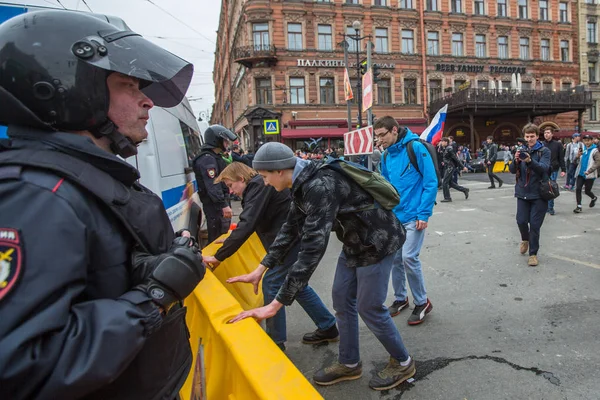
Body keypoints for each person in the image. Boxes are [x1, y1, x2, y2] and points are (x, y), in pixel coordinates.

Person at [0, 10, 206, 399]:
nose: (147, 101)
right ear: (69, 88)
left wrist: (148, 266)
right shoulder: (37, 195)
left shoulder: (85, 179)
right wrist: (156, 294)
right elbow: (21, 365)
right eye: (128, 85)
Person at [226, 142, 415, 391]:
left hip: (377, 242)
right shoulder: (301, 183)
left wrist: (276, 303)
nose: (265, 183)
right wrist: (261, 269)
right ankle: (349, 363)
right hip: (354, 241)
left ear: (279, 171)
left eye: (264, 177)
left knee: (369, 306)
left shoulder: (319, 185)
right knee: (341, 299)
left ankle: (403, 362)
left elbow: (312, 248)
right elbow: (290, 229)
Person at [203, 162, 338, 350]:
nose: (231, 191)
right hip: (288, 241)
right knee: (296, 286)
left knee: (272, 283)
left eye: (230, 185)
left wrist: (218, 256)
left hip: (289, 242)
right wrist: (228, 243)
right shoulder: (257, 187)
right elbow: (250, 222)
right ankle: (328, 326)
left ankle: (276, 342)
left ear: (241, 179)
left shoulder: (258, 186)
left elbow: (248, 222)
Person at [374, 117, 437, 325]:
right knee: (395, 259)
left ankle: (422, 302)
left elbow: (430, 181)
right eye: (377, 136)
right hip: (396, 217)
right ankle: (401, 299)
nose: (379, 140)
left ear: (394, 130)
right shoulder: (385, 157)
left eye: (382, 135)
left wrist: (423, 213)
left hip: (414, 215)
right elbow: (385, 187)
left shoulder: (415, 147)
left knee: (409, 257)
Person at [509, 124, 551, 267]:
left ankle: (533, 254)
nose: (530, 139)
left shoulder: (544, 151)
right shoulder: (521, 150)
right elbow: (512, 171)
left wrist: (529, 161)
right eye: (527, 136)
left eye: (532, 136)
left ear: (537, 136)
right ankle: (524, 239)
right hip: (522, 192)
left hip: (539, 194)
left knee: (534, 225)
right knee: (521, 220)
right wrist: (515, 160)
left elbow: (544, 169)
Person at [192, 125, 237, 243]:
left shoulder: (213, 157)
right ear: (216, 140)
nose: (227, 143)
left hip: (217, 204)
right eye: (224, 140)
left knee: (222, 232)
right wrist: (223, 205)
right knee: (218, 235)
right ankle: (215, 259)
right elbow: (213, 184)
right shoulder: (207, 159)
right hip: (215, 206)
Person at [541, 128, 566, 215]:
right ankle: (544, 207)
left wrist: (563, 169)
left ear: (552, 134)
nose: (546, 134)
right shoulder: (541, 144)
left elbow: (561, 157)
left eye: (548, 133)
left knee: (551, 187)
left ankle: (550, 207)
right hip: (543, 169)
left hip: (554, 169)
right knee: (543, 187)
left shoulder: (558, 144)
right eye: (545, 133)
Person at [573, 135, 599, 213]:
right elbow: (575, 162)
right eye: (585, 141)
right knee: (578, 189)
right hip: (581, 173)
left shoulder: (595, 151)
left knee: (587, 191)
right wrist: (577, 156)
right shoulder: (583, 150)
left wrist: (589, 171)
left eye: (588, 140)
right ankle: (579, 206)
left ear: (592, 141)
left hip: (589, 175)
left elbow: (598, 162)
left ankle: (593, 197)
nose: (586, 142)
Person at [439, 137, 469, 202]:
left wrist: (463, 166)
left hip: (450, 167)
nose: (441, 142)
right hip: (447, 166)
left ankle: (447, 197)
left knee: (445, 182)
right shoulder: (445, 149)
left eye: (442, 141)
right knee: (450, 183)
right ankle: (464, 190)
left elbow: (455, 158)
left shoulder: (449, 149)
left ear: (446, 142)